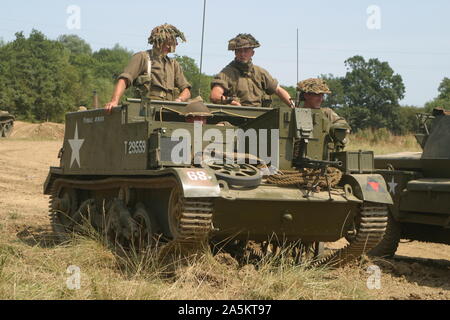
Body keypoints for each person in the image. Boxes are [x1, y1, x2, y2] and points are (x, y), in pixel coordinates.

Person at [105, 24, 191, 112]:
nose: (169, 47)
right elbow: (124, 79)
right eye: (165, 43)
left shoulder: (173, 64)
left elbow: (186, 90)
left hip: (169, 110)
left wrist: (179, 100)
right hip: (145, 109)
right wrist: (114, 101)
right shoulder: (143, 57)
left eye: (171, 44)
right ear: (156, 41)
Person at [210, 34, 294, 108]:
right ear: (235, 53)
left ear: (252, 53)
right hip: (235, 117)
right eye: (239, 51)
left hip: (259, 118)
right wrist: (231, 102)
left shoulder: (260, 73)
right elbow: (215, 96)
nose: (242, 54)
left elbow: (278, 90)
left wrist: (294, 107)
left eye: (246, 50)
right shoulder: (227, 73)